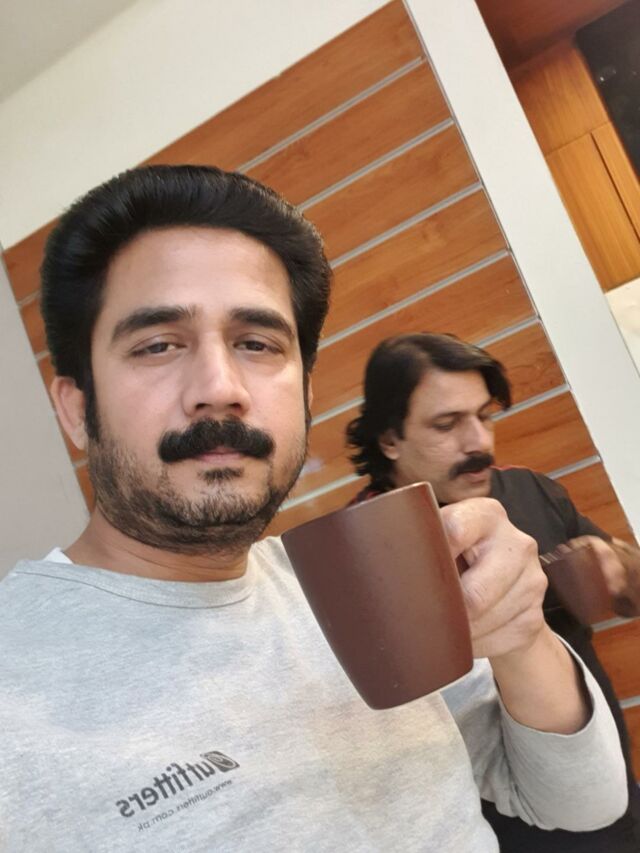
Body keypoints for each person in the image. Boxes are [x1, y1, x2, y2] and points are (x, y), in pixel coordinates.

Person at [0, 167, 628, 852]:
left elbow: (578, 802)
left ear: (303, 396)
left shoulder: (348, 587)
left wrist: (522, 636)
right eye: (158, 345)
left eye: (257, 344)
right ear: (76, 409)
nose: (220, 387)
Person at [346, 331, 640, 852]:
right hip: (501, 819)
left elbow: (633, 594)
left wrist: (617, 566)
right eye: (447, 425)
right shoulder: (358, 551)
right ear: (390, 440)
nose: (478, 442)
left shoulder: (529, 488)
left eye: (484, 416)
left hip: (609, 785)